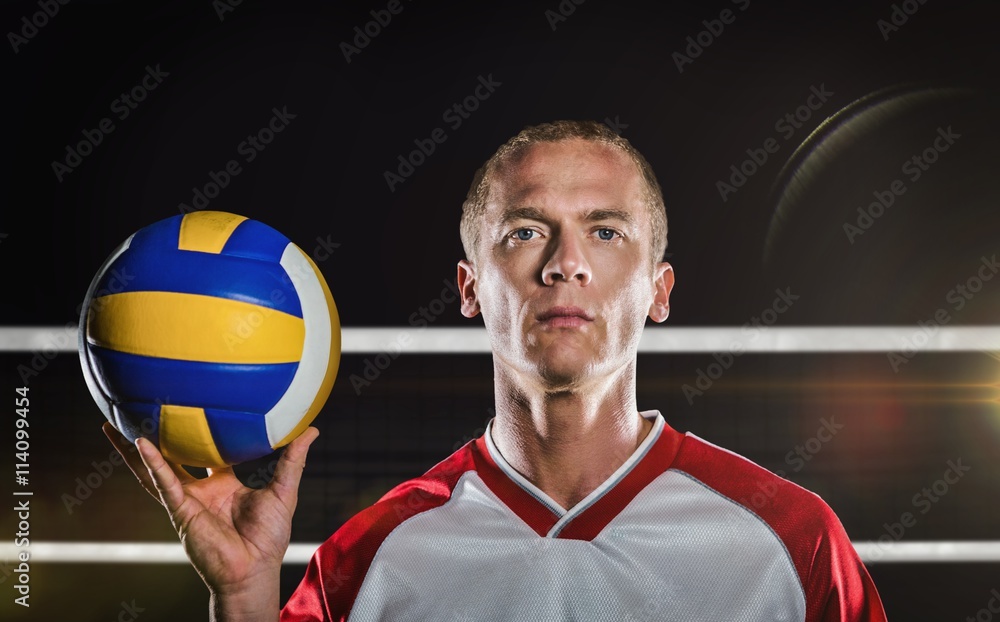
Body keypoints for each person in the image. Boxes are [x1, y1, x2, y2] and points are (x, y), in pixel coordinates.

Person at [105, 119, 887, 621]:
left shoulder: (793, 542)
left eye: (606, 231)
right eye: (524, 231)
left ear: (660, 290)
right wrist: (243, 598)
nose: (566, 264)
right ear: (471, 287)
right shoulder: (368, 562)